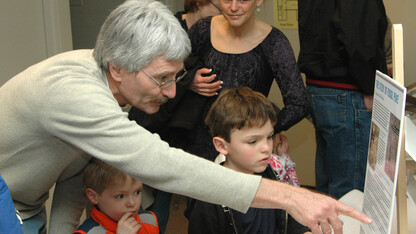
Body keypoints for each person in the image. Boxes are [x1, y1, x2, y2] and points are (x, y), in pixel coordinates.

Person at [0, 0, 372, 233]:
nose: (172, 92)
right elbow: (157, 162)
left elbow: (72, 174)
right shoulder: (75, 95)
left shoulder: (102, 77)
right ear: (118, 67)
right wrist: (292, 198)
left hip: (26, 209)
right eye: (161, 79)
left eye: (174, 78)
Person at [127, 1, 222, 232]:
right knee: (147, 204)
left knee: (171, 203)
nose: (225, 14)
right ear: (200, 3)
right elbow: (149, 81)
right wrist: (187, 82)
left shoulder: (214, 37)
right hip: (151, 127)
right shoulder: (166, 31)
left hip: (182, 134)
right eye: (220, 8)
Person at [183, 0, 309, 162]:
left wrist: (263, 132)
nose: (234, 7)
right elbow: (172, 72)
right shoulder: (202, 30)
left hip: (243, 156)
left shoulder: (274, 43)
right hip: (195, 147)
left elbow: (299, 104)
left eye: (243, 0)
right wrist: (189, 80)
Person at [297, 0, 388, 199]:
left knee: (328, 187)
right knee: (350, 194)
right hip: (346, 93)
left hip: (318, 89)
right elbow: (360, 42)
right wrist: (370, 88)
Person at [188, 87, 311, 233]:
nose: (266, 147)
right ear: (222, 145)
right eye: (253, 141)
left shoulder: (271, 174)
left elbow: (288, 221)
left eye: (269, 136)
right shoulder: (208, 201)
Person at [74, 158, 158, 234]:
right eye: (120, 196)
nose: (132, 203)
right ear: (93, 196)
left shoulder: (149, 219)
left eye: (137, 192)